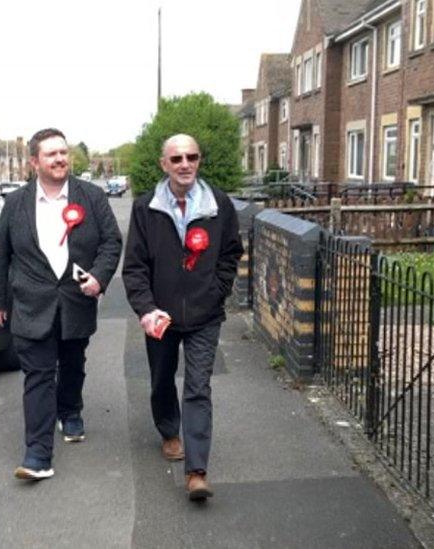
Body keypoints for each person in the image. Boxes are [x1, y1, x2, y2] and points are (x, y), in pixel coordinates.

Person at [0, 128, 122, 480]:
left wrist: (100, 276)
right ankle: (37, 454)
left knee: (73, 363)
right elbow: (1, 254)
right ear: (34, 162)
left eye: (64, 152)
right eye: (52, 154)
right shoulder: (16, 203)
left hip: (76, 300)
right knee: (38, 376)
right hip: (31, 303)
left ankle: (71, 409)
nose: (61, 159)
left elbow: (111, 241)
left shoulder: (90, 196)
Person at [122, 134, 244, 500]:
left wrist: (216, 291)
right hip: (160, 316)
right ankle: (168, 430)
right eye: (176, 159)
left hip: (205, 316)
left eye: (191, 157)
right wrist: (146, 309)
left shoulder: (218, 205)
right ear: (164, 164)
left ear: (199, 160)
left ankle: (197, 471)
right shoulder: (146, 209)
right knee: (161, 380)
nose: (185, 164)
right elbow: (135, 268)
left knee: (197, 387)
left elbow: (230, 254)